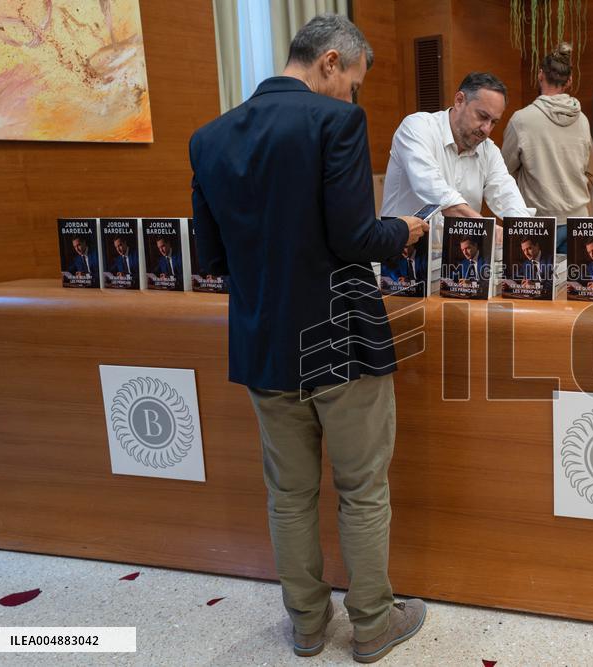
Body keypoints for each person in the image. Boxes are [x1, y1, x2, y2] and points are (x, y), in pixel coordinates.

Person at [188, 14, 429, 663]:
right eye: (354, 81)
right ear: (329, 62)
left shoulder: (208, 138)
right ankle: (372, 625)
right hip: (341, 338)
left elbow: (211, 256)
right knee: (362, 489)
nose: (354, 95)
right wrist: (403, 230)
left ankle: (306, 624)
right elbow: (355, 237)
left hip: (263, 344)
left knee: (289, 495)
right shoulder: (336, 122)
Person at [380, 72, 532, 225]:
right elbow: (434, 190)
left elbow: (507, 196)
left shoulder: (489, 151)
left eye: (493, 122)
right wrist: (485, 228)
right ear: (459, 101)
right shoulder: (418, 127)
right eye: (482, 116)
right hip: (403, 240)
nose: (486, 129)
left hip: (457, 242)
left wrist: (523, 229)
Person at [501, 42, 593, 253]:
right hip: (579, 221)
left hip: (538, 223)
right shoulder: (582, 120)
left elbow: (502, 171)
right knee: (573, 276)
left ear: (540, 74)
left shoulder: (521, 120)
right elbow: (588, 171)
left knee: (535, 275)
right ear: (569, 81)